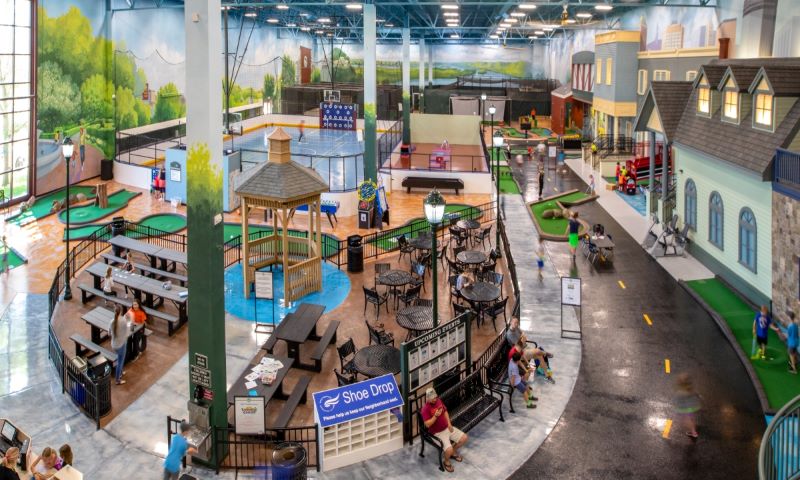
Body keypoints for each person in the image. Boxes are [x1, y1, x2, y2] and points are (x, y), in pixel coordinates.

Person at [420, 388, 468, 473]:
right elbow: (427, 424)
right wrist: (435, 416)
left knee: (464, 438)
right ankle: (446, 461)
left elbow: (445, 411)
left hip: (446, 427)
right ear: (427, 398)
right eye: (432, 398)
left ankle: (452, 452)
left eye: (435, 397)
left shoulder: (438, 401)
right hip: (437, 433)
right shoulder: (425, 409)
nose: (435, 399)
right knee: (448, 450)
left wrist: (449, 424)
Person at [674, 373, 701, 439]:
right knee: (691, 418)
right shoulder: (690, 389)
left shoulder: (680, 392)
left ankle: (693, 432)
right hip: (693, 407)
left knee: (687, 420)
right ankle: (693, 428)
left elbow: (678, 401)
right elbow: (697, 394)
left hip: (686, 409)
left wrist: (677, 408)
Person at [110, 305, 129, 385]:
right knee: (120, 362)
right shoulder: (123, 321)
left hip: (114, 344)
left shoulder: (112, 321)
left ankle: (120, 372)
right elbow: (127, 332)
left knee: (119, 358)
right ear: (121, 312)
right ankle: (118, 379)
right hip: (121, 344)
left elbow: (109, 332)